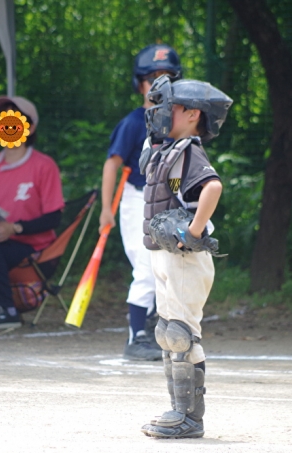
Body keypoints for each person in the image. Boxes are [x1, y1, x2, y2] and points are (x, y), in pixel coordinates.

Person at [138, 75, 233, 439]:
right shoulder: (169, 151)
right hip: (166, 256)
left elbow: (212, 187)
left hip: (184, 259)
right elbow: (178, 192)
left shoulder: (189, 150)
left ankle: (190, 417)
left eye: (171, 108)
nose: (161, 113)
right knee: (168, 332)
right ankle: (179, 411)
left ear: (193, 114)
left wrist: (193, 231)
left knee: (181, 334)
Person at [99, 44, 182, 361]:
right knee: (147, 268)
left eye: (167, 79)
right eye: (152, 79)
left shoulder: (176, 124)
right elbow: (112, 165)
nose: (159, 85)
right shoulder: (134, 122)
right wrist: (106, 209)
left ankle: (150, 327)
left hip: (168, 203)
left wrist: (179, 200)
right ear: (140, 84)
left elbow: (177, 169)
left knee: (165, 269)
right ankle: (136, 337)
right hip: (138, 200)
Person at [0, 95, 65, 328]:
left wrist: (14, 228)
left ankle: (6, 310)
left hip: (34, 248)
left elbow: (54, 217)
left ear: (31, 127)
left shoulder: (43, 165)